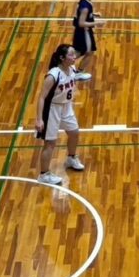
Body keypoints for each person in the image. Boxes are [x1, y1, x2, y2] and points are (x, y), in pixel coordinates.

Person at [34, 44, 85, 185]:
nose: (74, 57)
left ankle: (71, 158)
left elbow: (70, 80)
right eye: (71, 54)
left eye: (74, 54)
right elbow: (41, 98)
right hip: (52, 109)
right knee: (50, 143)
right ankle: (44, 174)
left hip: (66, 106)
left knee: (74, 133)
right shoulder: (53, 75)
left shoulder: (72, 69)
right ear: (62, 58)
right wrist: (39, 119)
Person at [71, 0, 99, 81]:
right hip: (84, 32)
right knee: (89, 52)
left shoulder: (84, 2)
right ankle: (78, 73)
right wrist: (97, 23)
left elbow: (81, 14)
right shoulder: (85, 7)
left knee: (79, 51)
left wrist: (93, 14)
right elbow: (81, 23)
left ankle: (62, 66)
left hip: (80, 32)